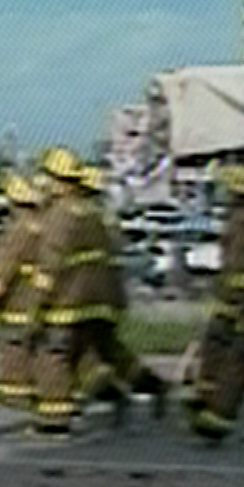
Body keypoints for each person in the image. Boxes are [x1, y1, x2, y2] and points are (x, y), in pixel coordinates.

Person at [25, 148, 123, 438]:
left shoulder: (58, 216)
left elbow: (49, 267)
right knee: (82, 355)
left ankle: (55, 421)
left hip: (65, 301)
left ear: (58, 181)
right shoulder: (92, 214)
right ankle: (109, 390)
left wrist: (34, 309)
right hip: (96, 300)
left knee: (52, 355)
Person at [72, 167, 171, 424]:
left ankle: (104, 393)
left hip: (86, 292)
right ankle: (149, 386)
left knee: (76, 345)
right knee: (109, 348)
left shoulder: (80, 217)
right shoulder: (103, 216)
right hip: (109, 291)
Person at [188, 165, 244, 442]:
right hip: (238, 299)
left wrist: (240, 302)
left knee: (239, 353)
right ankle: (209, 400)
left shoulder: (243, 220)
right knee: (223, 346)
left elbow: (241, 268)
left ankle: (218, 415)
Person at [0, 174, 45, 412]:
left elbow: (6, 264)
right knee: (38, 348)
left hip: (18, 298)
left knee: (14, 346)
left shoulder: (19, 230)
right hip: (43, 299)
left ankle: (15, 391)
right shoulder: (47, 226)